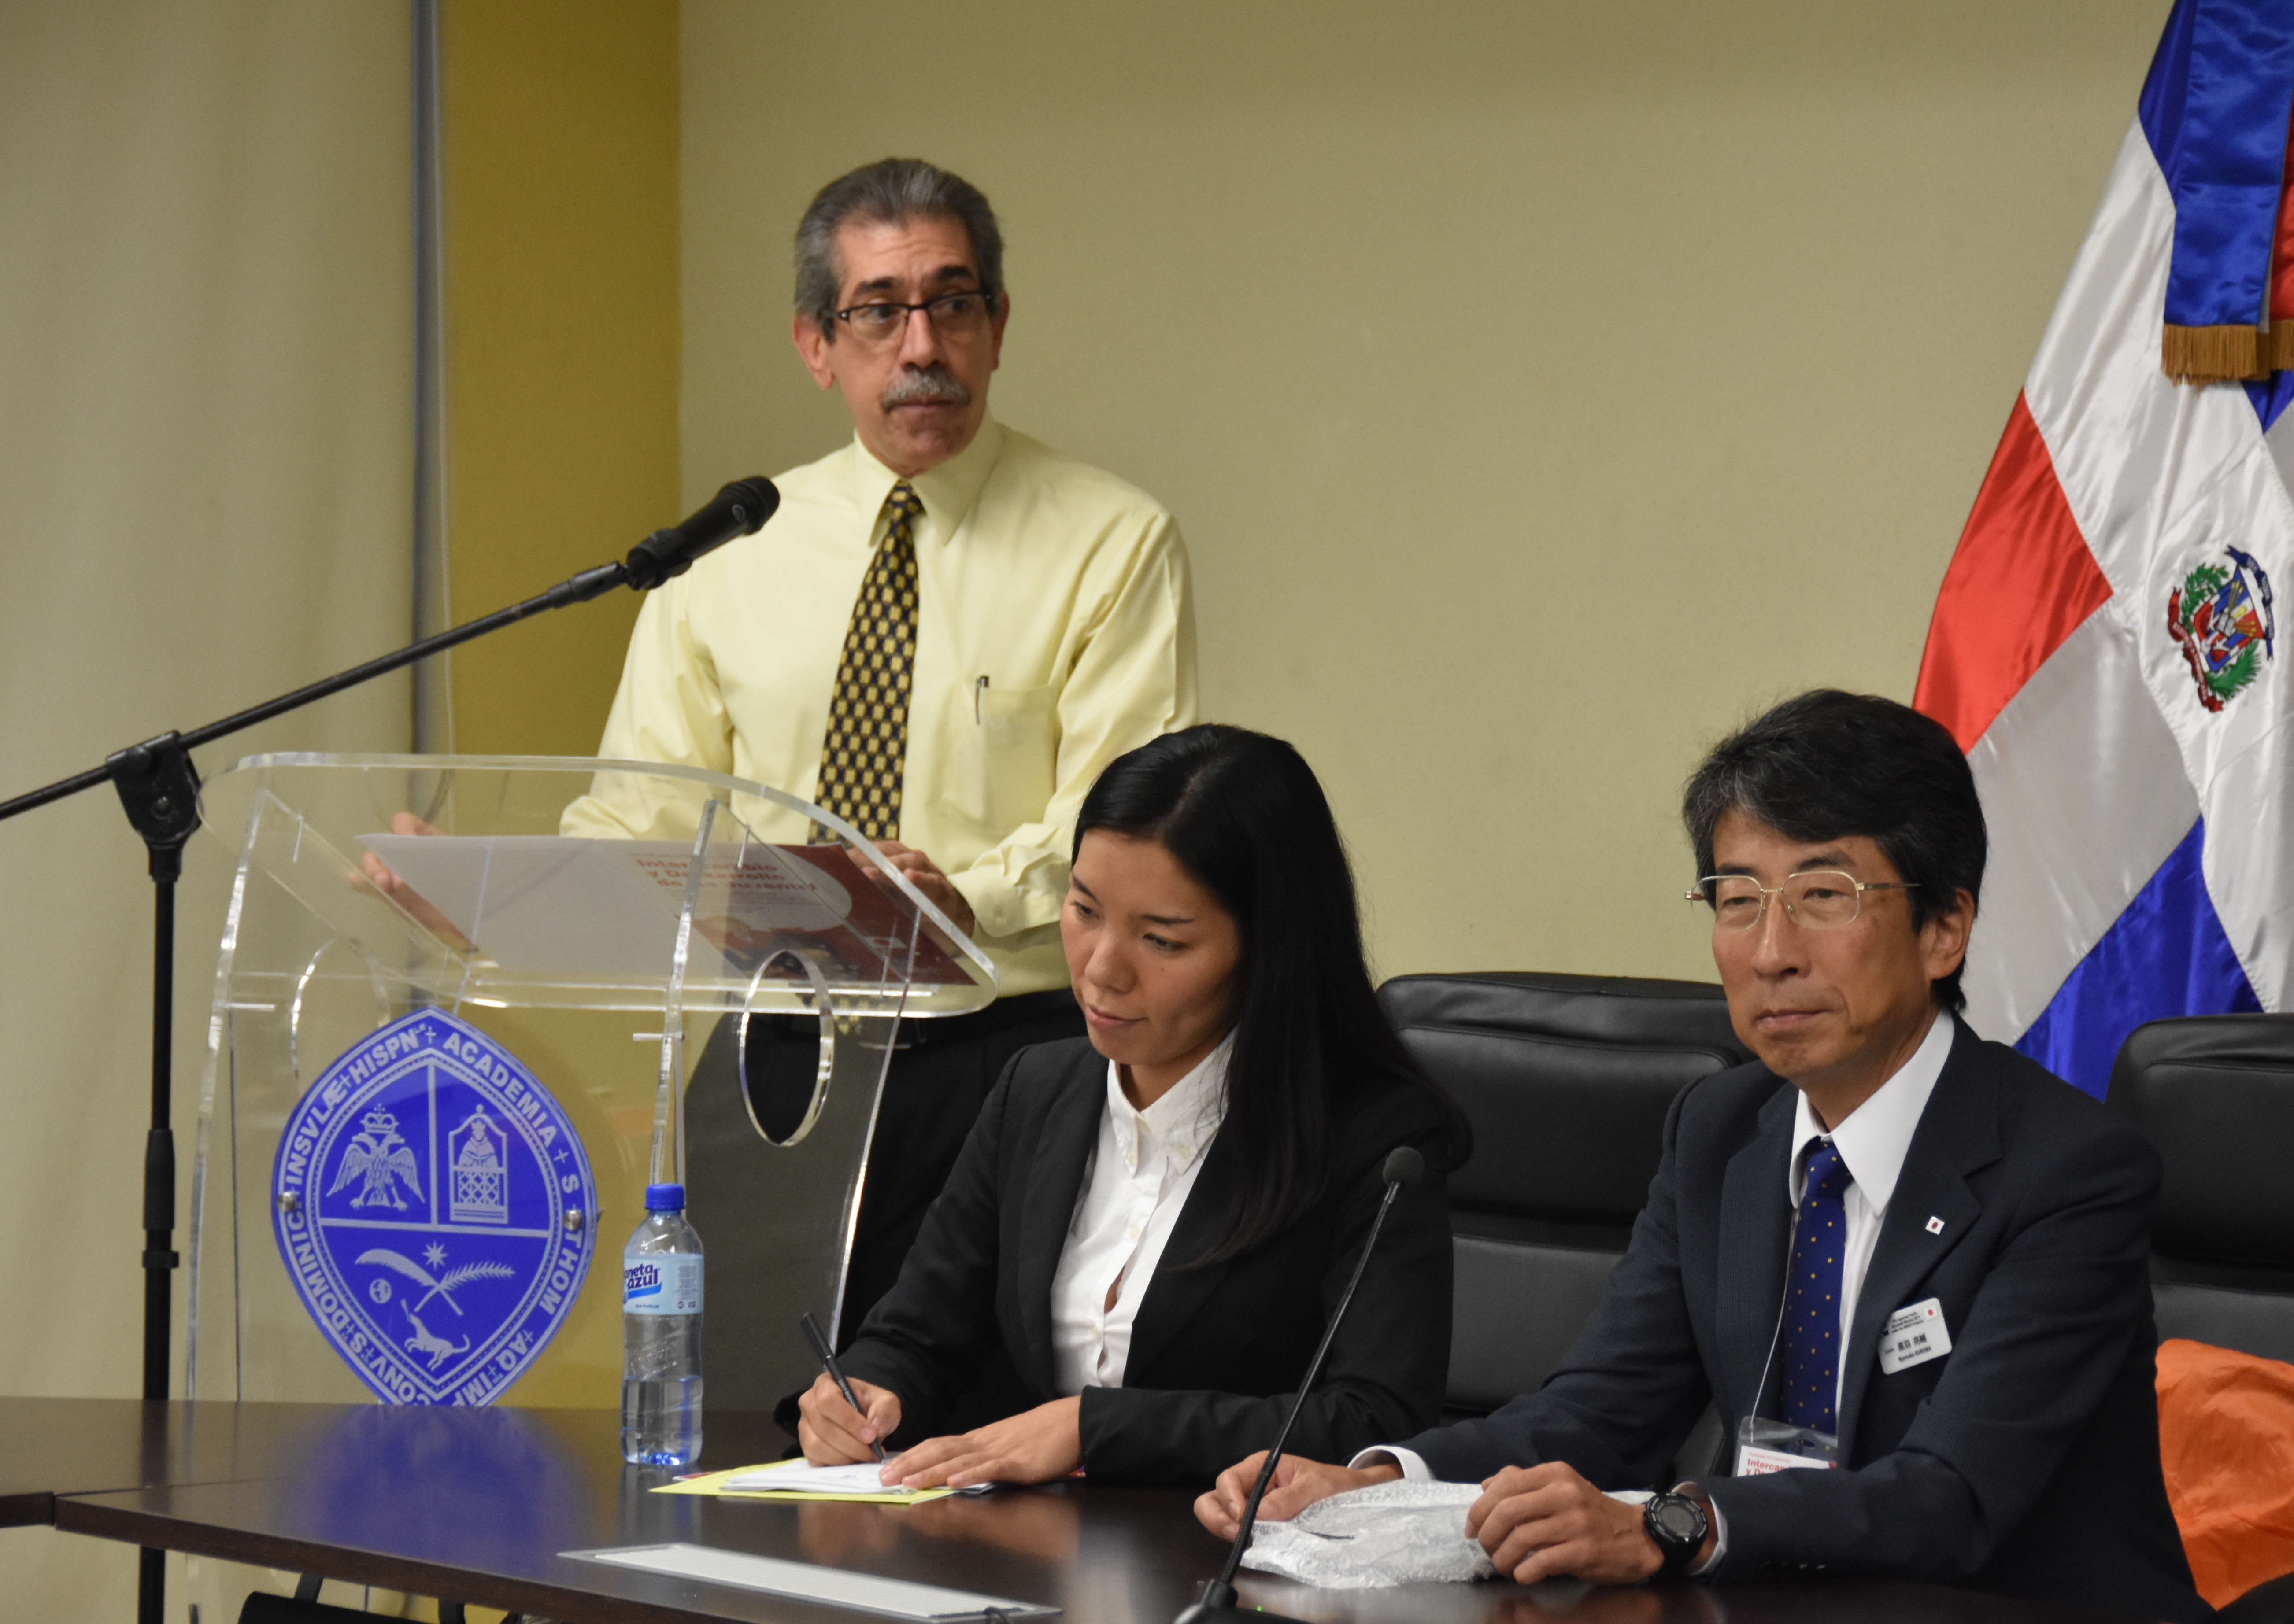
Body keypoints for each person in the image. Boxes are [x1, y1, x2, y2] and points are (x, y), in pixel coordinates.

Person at [1197, 691, 2206, 1621]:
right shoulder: (1720, 1129)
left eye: (1823, 894)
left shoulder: (2067, 1170)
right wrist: (1376, 1483)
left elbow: (1951, 1497)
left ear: (1944, 926)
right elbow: (1600, 1410)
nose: (1772, 951)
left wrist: (1674, 1523)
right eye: (1736, 898)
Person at [571, 158, 1197, 1338]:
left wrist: (952, 897)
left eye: (951, 304)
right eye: (878, 311)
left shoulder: (1111, 540)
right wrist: (490, 889)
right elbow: (638, 815)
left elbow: (1126, 822)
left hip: (1001, 1046)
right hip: (773, 1042)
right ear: (816, 344)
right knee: (740, 1393)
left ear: (997, 324)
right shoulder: (731, 550)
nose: (922, 346)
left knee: (966, 1410)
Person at [793, 725, 1467, 1486]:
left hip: (1229, 1546)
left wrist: (1094, 1428)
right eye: (1084, 911)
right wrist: (866, 1391)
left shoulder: (1378, 1138)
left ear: (1269, 949)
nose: (1101, 971)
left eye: (1162, 941)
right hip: (1023, 1542)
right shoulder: (1035, 1089)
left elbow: (1374, 1422)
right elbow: (915, 1336)